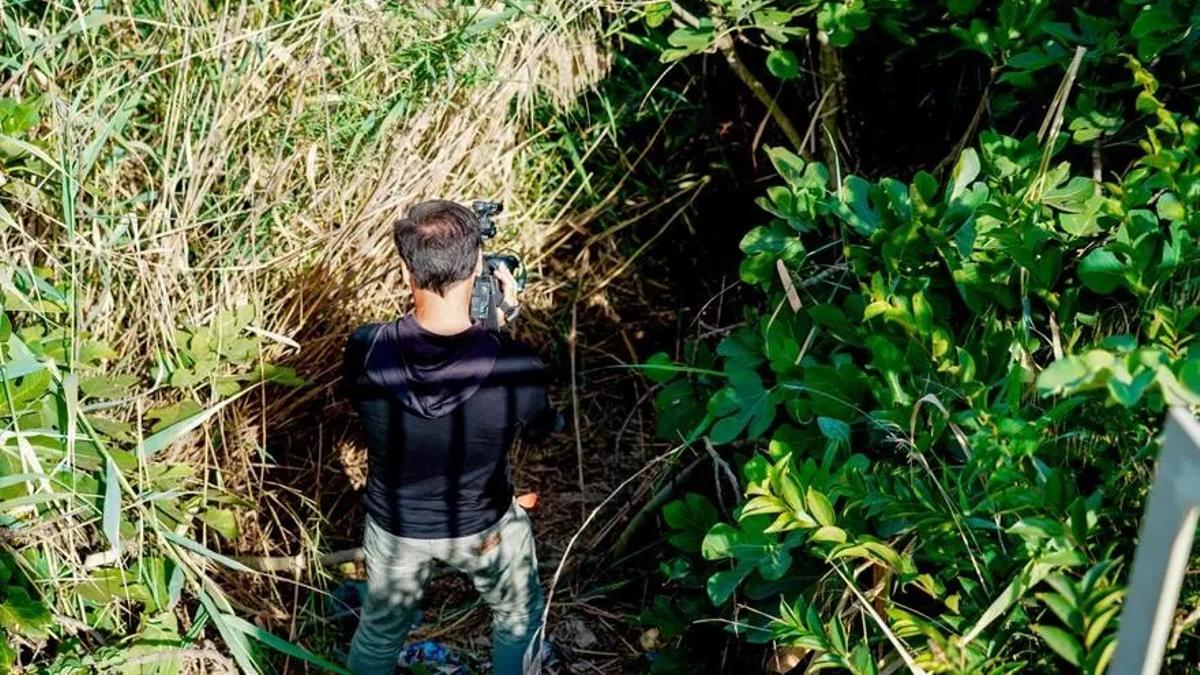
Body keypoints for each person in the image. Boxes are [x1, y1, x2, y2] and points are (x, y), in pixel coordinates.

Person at [343, 200, 553, 674]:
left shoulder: (365, 347)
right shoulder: (515, 364)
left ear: (405, 270)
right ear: (479, 264)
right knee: (518, 621)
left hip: (395, 528)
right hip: (483, 527)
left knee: (378, 634)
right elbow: (537, 430)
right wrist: (498, 329)